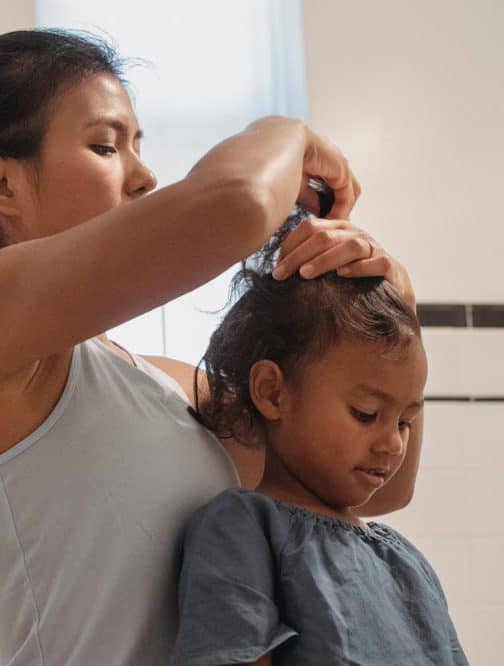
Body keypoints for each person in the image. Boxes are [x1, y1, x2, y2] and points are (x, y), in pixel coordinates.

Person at [0, 27, 422, 666]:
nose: (144, 176)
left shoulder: (166, 386)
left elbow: (370, 484)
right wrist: (287, 133)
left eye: (139, 145)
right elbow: (236, 205)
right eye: (105, 146)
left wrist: (398, 295)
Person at [171, 214, 467, 665]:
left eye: (405, 422)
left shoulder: (407, 563)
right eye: (366, 414)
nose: (393, 445)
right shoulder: (242, 529)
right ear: (273, 391)